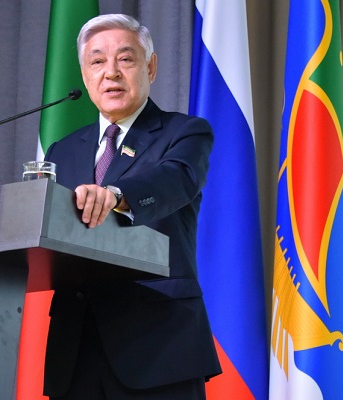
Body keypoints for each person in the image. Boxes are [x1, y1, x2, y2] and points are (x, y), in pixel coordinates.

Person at [42, 14, 221, 400]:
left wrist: (117, 194)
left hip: (158, 347)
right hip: (75, 353)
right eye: (97, 61)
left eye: (125, 59)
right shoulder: (61, 151)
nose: (111, 72)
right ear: (85, 75)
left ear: (150, 67)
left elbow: (176, 180)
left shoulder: (185, 132)